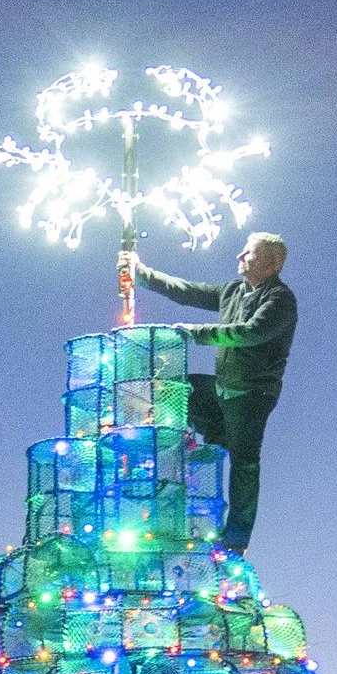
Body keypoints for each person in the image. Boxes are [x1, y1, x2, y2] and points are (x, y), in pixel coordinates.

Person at [135, 231, 297, 552]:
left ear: (267, 264)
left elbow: (249, 333)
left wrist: (194, 333)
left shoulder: (280, 300)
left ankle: (236, 541)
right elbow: (189, 292)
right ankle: (215, 435)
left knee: (245, 462)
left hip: (251, 395)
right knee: (179, 389)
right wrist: (143, 276)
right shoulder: (233, 291)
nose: (239, 256)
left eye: (247, 253)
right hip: (223, 388)